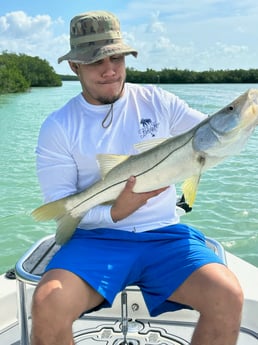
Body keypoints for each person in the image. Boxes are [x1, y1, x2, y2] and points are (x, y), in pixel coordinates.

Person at [31, 10, 243, 345]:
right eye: (95, 61)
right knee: (47, 302)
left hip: (164, 234)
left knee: (228, 294)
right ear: (74, 67)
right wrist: (115, 212)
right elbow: (62, 203)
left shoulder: (158, 100)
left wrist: (247, 116)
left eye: (116, 57)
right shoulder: (58, 126)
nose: (110, 69)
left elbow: (211, 133)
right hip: (95, 238)